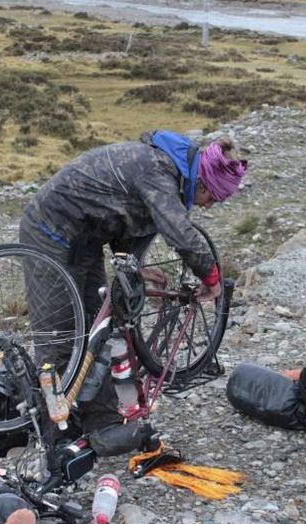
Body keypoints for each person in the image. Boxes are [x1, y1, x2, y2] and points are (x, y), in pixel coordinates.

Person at [18, 131, 247, 435]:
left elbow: (123, 211)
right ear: (204, 182)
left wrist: (133, 265)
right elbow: (182, 235)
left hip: (84, 239)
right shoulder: (160, 172)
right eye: (212, 199)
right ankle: (51, 430)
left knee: (97, 330)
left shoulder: (170, 171)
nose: (208, 207)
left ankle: (100, 422)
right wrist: (212, 278)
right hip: (50, 231)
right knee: (59, 335)